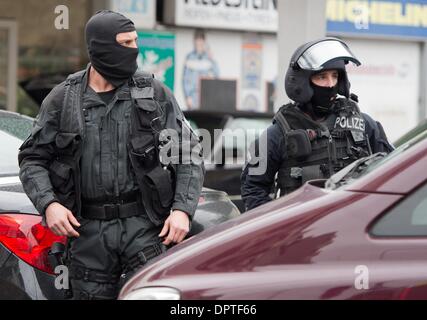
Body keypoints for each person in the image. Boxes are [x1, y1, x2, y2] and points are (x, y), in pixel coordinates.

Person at [18, 10, 204, 300]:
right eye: (126, 43)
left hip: (144, 229)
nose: (135, 50)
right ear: (101, 47)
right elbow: (32, 158)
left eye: (135, 41)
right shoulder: (62, 99)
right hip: (87, 234)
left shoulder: (154, 93)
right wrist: (49, 204)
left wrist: (182, 210)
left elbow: (188, 152)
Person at [241, 37, 393, 212]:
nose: (330, 84)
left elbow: (393, 174)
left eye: (335, 76)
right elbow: (253, 189)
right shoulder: (279, 132)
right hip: (302, 232)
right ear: (302, 82)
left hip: (353, 227)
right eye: (322, 77)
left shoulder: (363, 124)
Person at [183, 29, 219, 110]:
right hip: (193, 96)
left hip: (207, 95)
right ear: (194, 41)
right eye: (197, 40)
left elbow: (217, 75)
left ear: (204, 41)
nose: (199, 43)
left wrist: (212, 59)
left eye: (201, 40)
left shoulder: (209, 57)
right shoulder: (189, 57)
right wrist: (187, 96)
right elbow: (185, 79)